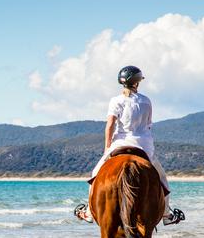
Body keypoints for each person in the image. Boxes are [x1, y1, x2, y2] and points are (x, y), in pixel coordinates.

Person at [75, 65, 184, 226]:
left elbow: (110, 125)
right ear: (137, 82)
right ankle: (167, 215)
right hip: (144, 145)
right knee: (162, 179)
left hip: (119, 143)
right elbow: (148, 125)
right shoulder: (146, 101)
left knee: (95, 174)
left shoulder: (115, 101)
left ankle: (90, 213)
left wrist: (107, 147)